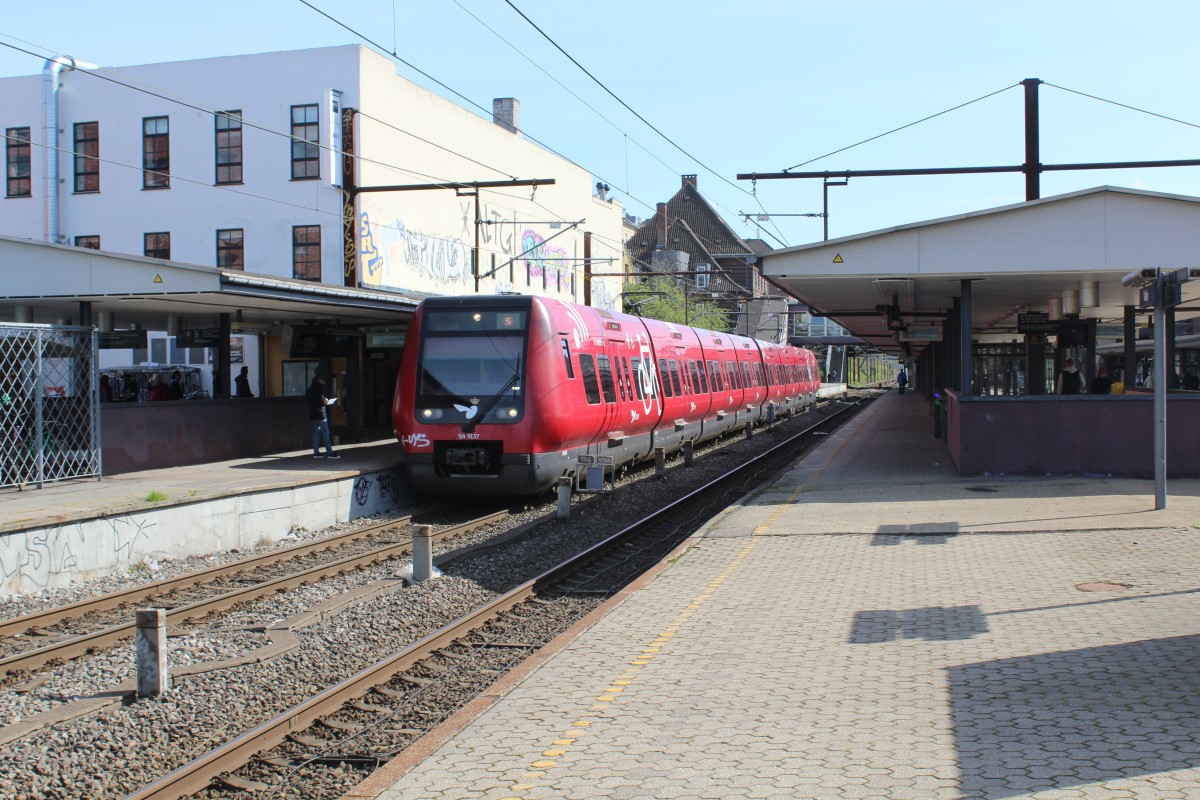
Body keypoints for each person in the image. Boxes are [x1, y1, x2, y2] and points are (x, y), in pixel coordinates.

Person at [306, 375, 339, 459]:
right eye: (323, 381)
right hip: (320, 414)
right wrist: (326, 401)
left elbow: (308, 401)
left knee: (317, 431)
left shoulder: (310, 388)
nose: (324, 383)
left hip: (313, 413)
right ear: (320, 380)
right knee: (326, 432)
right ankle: (330, 452)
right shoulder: (318, 388)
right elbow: (321, 401)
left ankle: (316, 452)